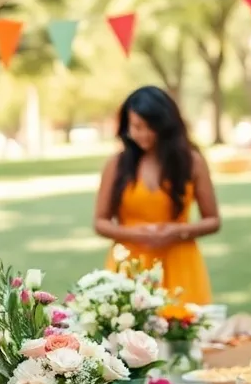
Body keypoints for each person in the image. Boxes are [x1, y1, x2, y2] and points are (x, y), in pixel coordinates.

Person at [93, 86, 220, 304]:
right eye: (136, 126)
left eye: (150, 127)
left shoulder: (192, 162)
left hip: (181, 264)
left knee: (183, 331)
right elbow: (100, 222)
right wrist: (136, 234)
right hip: (129, 266)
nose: (143, 134)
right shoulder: (117, 164)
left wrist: (177, 230)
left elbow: (213, 220)